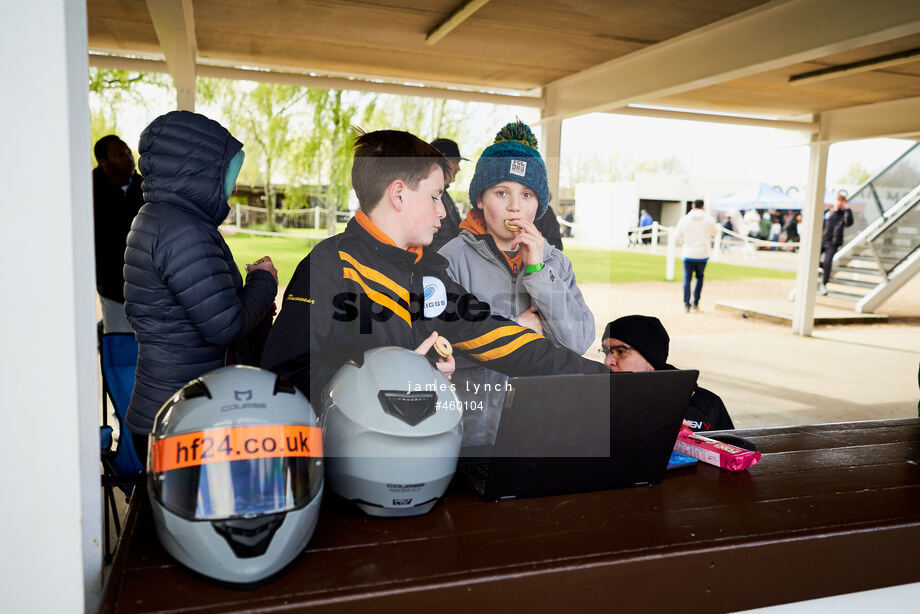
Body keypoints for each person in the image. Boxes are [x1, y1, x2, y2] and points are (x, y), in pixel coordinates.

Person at [261, 129, 609, 414]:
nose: (443, 213)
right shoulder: (328, 267)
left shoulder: (429, 274)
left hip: (424, 456)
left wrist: (611, 382)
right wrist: (388, 378)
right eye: (435, 196)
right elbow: (282, 378)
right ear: (398, 194)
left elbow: (506, 342)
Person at [123, 111, 279, 456]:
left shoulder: (158, 217)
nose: (234, 187)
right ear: (200, 173)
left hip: (166, 406)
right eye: (228, 174)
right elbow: (226, 326)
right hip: (182, 418)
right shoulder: (184, 231)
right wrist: (263, 281)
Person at [439, 120, 595, 445]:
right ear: (480, 199)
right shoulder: (451, 258)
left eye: (527, 194)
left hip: (539, 420)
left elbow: (577, 341)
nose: (515, 206)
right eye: (501, 192)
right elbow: (441, 344)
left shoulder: (555, 262)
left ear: (539, 205)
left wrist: (537, 269)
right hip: (470, 425)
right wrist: (517, 327)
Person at [601, 316, 733, 432]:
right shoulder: (598, 400)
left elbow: (735, 453)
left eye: (620, 351)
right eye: (607, 352)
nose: (608, 361)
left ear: (650, 357)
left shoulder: (706, 404)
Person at [93, 135, 145, 333]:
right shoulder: (89, 190)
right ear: (103, 161)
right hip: (111, 286)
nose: (128, 157)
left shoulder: (145, 188)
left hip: (145, 284)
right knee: (119, 344)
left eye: (128, 152)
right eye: (120, 154)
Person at [674, 199, 718, 312]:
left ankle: (686, 304)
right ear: (703, 206)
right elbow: (715, 233)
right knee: (700, 277)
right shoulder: (709, 219)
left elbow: (678, 236)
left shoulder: (684, 219)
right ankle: (696, 302)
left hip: (688, 253)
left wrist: (687, 241)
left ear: (693, 206)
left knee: (687, 278)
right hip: (702, 254)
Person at [427, 138, 468, 252]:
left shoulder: (444, 195)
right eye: (455, 162)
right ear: (440, 160)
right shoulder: (425, 196)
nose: (458, 168)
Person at [819, 194, 854, 295]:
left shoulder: (843, 213)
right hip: (822, 240)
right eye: (838, 201)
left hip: (833, 242)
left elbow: (848, 223)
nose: (839, 203)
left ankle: (824, 283)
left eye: (841, 201)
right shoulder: (828, 211)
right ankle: (822, 270)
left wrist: (847, 210)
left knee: (827, 262)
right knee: (814, 260)